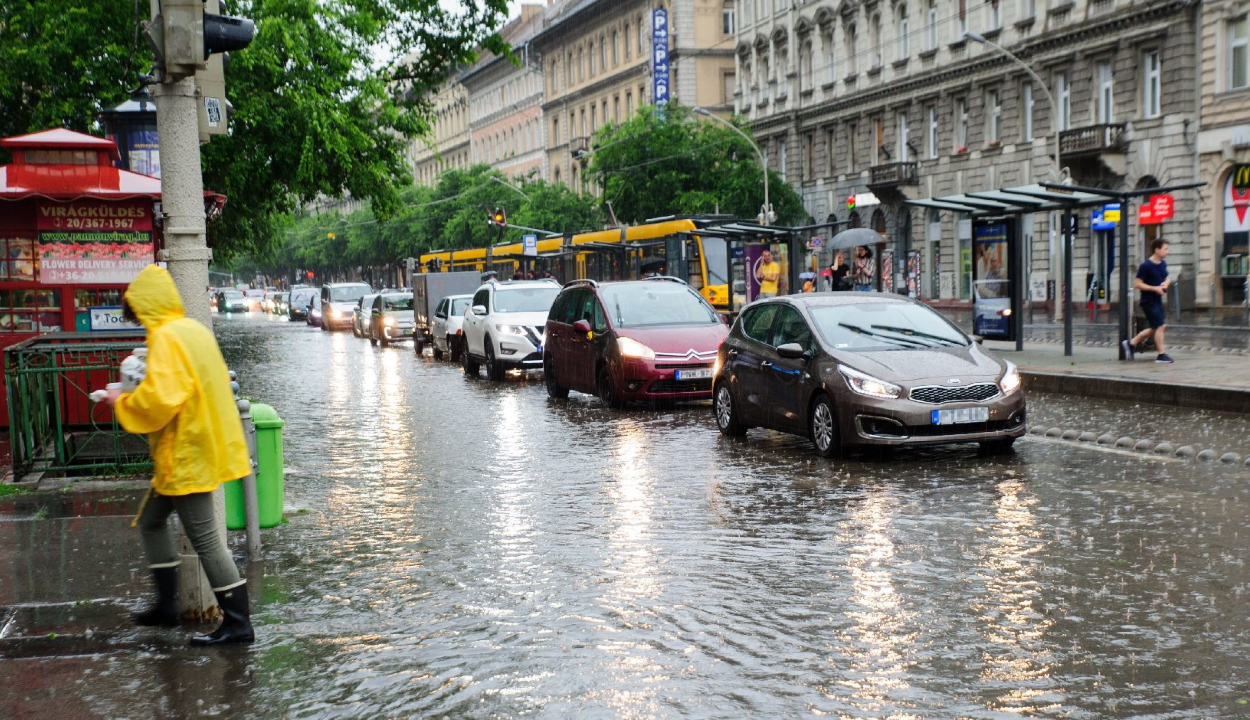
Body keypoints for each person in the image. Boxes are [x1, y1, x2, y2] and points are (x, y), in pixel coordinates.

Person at [104, 265, 256, 646]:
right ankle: (167, 607)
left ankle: (238, 625)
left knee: (206, 541)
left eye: (137, 313)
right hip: (193, 448)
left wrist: (120, 401)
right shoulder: (191, 330)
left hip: (185, 454)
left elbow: (159, 400)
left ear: (146, 307)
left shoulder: (167, 337)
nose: (137, 321)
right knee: (151, 521)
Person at [1123, 239, 1173, 363]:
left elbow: (1167, 278)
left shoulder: (1162, 264)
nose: (1168, 251)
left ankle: (1131, 343)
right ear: (1157, 249)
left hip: (1157, 300)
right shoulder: (1146, 266)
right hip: (1148, 301)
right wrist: (1154, 288)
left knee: (1156, 327)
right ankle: (1161, 355)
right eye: (1165, 248)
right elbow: (1137, 284)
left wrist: (1164, 285)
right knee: (1160, 326)